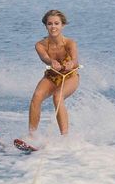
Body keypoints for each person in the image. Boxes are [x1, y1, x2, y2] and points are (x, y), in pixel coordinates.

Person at [26, 9, 80, 137]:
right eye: (50, 24)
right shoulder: (40, 45)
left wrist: (71, 64)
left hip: (70, 76)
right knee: (36, 97)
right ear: (45, 26)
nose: (53, 27)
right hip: (51, 77)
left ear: (62, 25)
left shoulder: (69, 43)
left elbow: (75, 60)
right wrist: (51, 61)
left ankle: (65, 137)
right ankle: (32, 136)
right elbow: (44, 57)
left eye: (56, 23)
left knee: (57, 97)